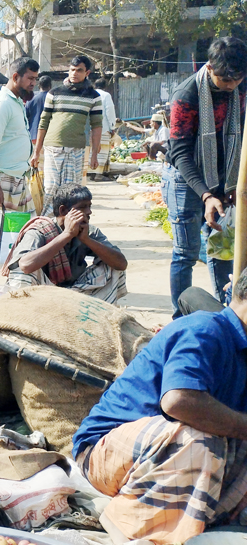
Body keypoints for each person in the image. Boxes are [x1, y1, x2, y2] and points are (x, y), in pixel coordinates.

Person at [71, 271, 247, 544]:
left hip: (160, 459)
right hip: (102, 454)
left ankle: (198, 519)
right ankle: (133, 525)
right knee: (199, 440)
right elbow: (179, 401)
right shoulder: (205, 328)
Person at [166, 37, 247, 316]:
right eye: (226, 79)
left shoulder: (241, 88)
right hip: (186, 180)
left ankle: (226, 315)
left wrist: (236, 183)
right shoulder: (186, 94)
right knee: (186, 253)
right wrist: (207, 195)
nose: (231, 85)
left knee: (222, 249)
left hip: (225, 181)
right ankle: (181, 320)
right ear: (210, 67)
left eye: (238, 78)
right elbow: (179, 153)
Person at [3, 183, 127, 303]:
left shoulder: (89, 231)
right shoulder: (39, 231)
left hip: (77, 290)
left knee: (112, 265)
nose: (89, 212)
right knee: (21, 272)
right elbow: (25, 265)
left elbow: (121, 264)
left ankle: (96, 313)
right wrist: (66, 235)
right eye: (83, 207)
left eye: (89, 206)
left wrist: (87, 240)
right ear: (63, 211)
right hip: (43, 292)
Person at [32, 55, 103, 214]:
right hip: (52, 149)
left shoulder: (93, 97)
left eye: (79, 70)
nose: (74, 73)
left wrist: (94, 154)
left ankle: (69, 229)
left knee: (71, 192)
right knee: (51, 189)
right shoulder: (54, 92)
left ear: (87, 72)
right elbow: (43, 122)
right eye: (72, 70)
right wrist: (36, 152)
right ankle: (49, 225)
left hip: (76, 151)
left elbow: (97, 125)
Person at [0, 57, 41, 212]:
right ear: (15, 77)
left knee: (22, 232)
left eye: (35, 79)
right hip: (1, 179)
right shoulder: (2, 103)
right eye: (30, 79)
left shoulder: (16, 101)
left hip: (17, 178)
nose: (33, 84)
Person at [88, 78, 117, 179]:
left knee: (91, 150)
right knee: (101, 151)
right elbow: (109, 111)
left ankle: (90, 172)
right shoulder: (106, 95)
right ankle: (98, 174)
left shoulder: (89, 93)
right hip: (103, 127)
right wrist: (112, 126)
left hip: (89, 127)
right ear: (105, 86)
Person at [26, 76, 52, 143]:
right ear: (50, 86)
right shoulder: (53, 99)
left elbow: (25, 116)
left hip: (33, 135)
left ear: (38, 85)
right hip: (48, 136)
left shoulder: (31, 98)